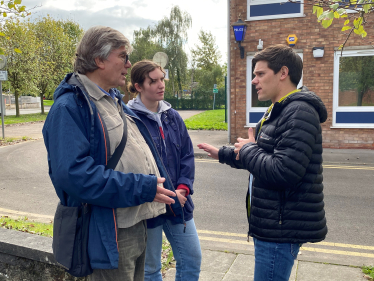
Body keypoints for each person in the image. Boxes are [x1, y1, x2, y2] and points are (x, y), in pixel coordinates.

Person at [42, 26, 183, 281]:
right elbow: (74, 176)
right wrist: (142, 187)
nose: (129, 64)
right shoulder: (70, 106)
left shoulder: (113, 100)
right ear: (99, 60)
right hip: (108, 232)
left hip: (135, 225)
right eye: (123, 56)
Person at [198, 45, 328, 281]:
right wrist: (224, 154)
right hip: (271, 223)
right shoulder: (277, 110)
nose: (253, 81)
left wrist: (248, 149)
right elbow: (259, 154)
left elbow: (283, 171)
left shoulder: (299, 112)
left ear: (283, 73)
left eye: (260, 74)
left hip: (280, 228)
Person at [127, 60, 202, 281]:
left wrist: (182, 190)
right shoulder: (129, 119)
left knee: (191, 259)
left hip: (178, 202)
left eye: (162, 79)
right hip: (148, 204)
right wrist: (153, 191)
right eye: (153, 81)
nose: (161, 85)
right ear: (138, 86)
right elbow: (131, 164)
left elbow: (187, 156)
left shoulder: (173, 116)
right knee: (150, 269)